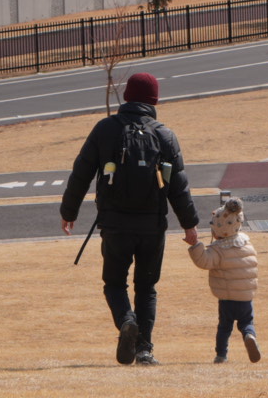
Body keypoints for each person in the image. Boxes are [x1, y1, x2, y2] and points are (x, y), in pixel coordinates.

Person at [61, 72, 200, 366]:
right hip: (152, 225)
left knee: (114, 283)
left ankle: (126, 320)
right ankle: (144, 350)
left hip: (115, 224)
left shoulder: (105, 129)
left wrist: (69, 212)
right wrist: (189, 224)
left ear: (126, 96)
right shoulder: (164, 135)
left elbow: (81, 172)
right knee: (146, 288)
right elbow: (179, 185)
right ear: (155, 100)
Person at [188, 196, 261, 364]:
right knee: (247, 322)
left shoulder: (218, 250)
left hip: (227, 298)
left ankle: (221, 354)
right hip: (245, 297)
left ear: (218, 230)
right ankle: (249, 335)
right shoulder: (247, 244)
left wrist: (195, 245)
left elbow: (204, 261)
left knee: (224, 327)